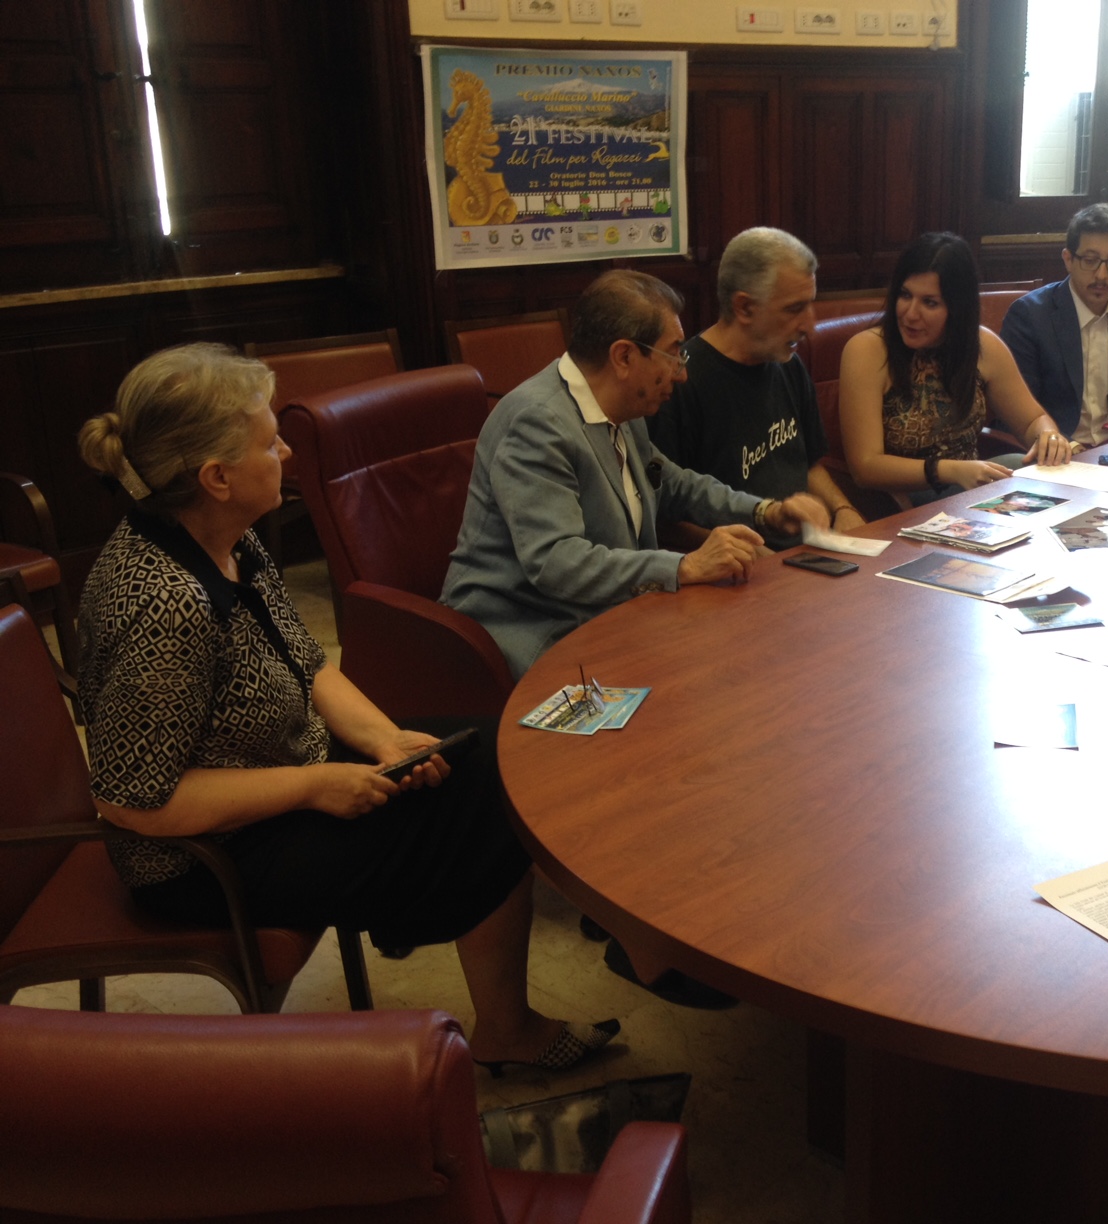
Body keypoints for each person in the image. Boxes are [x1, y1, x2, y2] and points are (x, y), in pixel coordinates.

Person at [76, 342, 614, 1076]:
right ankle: (506, 1024)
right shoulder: (164, 604)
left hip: (274, 784)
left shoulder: (226, 538)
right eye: (270, 442)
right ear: (216, 478)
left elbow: (309, 665)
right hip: (202, 859)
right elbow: (133, 803)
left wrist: (386, 740)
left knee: (497, 758)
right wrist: (317, 786)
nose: (287, 453)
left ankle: (491, 1004)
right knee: (482, 813)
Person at [441, 269, 826, 678]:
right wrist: (683, 567)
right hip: (531, 630)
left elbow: (674, 484)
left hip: (605, 615)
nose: (681, 373)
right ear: (624, 357)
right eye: (673, 355)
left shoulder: (623, 409)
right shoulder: (537, 424)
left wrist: (765, 512)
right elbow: (557, 561)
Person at [649, 227, 864, 546]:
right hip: (735, 563)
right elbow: (664, 518)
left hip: (805, 551)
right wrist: (750, 554)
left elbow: (808, 465)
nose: (810, 325)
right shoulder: (680, 382)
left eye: (811, 304)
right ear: (745, 308)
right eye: (794, 309)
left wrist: (843, 509)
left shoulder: (788, 363)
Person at [837, 232, 1074, 506]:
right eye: (905, 295)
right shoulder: (866, 350)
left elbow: (1031, 420)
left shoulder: (982, 344)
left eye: (930, 302)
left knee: (1030, 469)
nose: (911, 314)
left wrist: (1048, 435)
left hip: (970, 488)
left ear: (958, 307)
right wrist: (949, 470)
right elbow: (865, 467)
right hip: (900, 498)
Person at [1000, 203, 1108, 446]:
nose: (1101, 275)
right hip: (1055, 451)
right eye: (1090, 260)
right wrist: (1059, 445)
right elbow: (1018, 413)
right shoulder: (1030, 316)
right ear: (1068, 259)